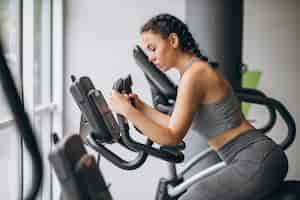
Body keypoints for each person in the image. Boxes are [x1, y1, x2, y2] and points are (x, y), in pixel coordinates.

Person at [109, 13, 288, 200]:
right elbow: (172, 124)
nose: (152, 58)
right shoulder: (193, 72)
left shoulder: (195, 74)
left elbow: (172, 137)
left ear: (172, 40)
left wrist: (126, 110)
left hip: (255, 159)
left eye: (153, 49)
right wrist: (140, 107)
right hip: (251, 158)